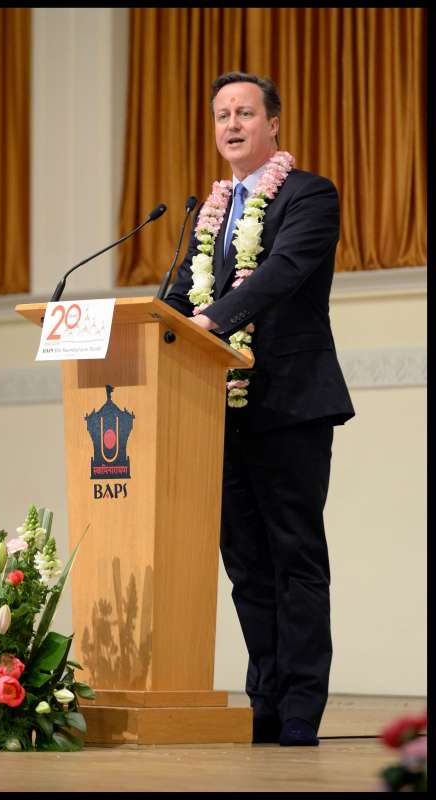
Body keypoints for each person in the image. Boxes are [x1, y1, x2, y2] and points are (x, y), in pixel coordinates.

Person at [163, 71, 355, 746]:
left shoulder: (309, 195)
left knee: (294, 556)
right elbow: (182, 299)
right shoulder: (210, 214)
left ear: (274, 124)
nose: (232, 123)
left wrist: (213, 319)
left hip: (292, 403)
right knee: (245, 562)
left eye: (245, 111)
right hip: (220, 408)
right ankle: (265, 702)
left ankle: (302, 707)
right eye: (221, 115)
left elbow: (281, 272)